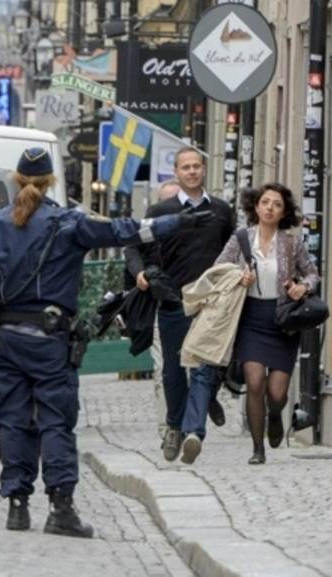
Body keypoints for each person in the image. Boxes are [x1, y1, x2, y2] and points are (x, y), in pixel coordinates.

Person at [0, 147, 213, 538]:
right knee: (56, 423)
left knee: (13, 422)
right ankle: (61, 508)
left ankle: (17, 504)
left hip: (8, 339)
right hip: (51, 341)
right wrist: (176, 223)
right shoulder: (69, 223)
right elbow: (126, 231)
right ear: (51, 181)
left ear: (16, 179)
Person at [125, 148, 235, 464]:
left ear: (204, 170)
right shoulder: (161, 211)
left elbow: (235, 250)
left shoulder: (221, 211)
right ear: (176, 171)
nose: (191, 172)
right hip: (173, 300)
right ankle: (175, 425)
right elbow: (133, 246)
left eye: (196, 166)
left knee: (202, 369)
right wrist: (140, 273)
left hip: (211, 304)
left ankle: (193, 433)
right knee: (174, 371)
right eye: (185, 167)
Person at [214, 183, 319, 464]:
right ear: (256, 206)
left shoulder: (291, 242)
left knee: (276, 393)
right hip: (251, 318)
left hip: (283, 319)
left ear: (283, 211)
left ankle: (275, 415)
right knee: (255, 381)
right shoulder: (241, 238)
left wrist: (301, 288)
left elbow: (312, 275)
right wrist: (239, 275)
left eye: (277, 204)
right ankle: (257, 448)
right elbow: (218, 270)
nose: (270, 208)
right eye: (265, 202)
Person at [147, 180, 181, 437]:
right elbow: (133, 250)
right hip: (161, 307)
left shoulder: (196, 231)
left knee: (191, 370)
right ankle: (166, 426)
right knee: (163, 370)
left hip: (192, 306)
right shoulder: (152, 230)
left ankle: (186, 421)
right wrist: (140, 273)